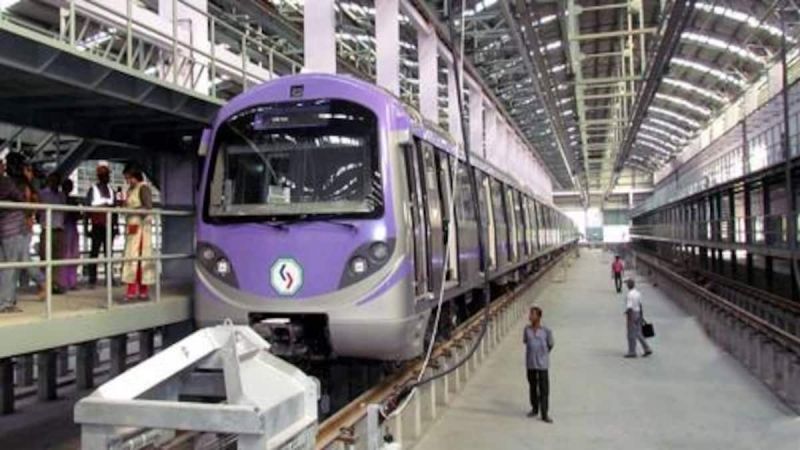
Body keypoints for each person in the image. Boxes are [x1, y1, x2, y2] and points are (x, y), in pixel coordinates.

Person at [0, 154, 29, 313]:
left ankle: (5, 300)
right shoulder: (6, 182)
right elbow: (21, 198)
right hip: (12, 228)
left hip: (2, 228)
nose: (3, 166)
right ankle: (6, 302)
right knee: (11, 267)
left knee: (4, 266)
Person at [121, 164, 154, 301]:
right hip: (132, 227)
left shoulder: (143, 188)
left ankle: (139, 291)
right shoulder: (131, 190)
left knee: (139, 258)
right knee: (131, 257)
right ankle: (133, 290)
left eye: (128, 178)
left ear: (134, 176)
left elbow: (148, 207)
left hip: (141, 229)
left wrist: (132, 210)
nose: (127, 181)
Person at [85, 165, 116, 288]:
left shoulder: (111, 191)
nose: (107, 177)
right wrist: (86, 227)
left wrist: (116, 226)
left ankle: (110, 279)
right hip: (97, 225)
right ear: (99, 176)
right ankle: (92, 279)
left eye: (107, 175)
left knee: (109, 253)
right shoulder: (93, 190)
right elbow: (87, 210)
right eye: (104, 175)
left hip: (109, 226)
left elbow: (115, 211)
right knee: (94, 253)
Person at [523, 305, 554, 423]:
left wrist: (543, 354)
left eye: (532, 314)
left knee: (544, 389)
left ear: (538, 317)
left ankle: (544, 413)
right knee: (532, 387)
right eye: (530, 314)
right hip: (530, 363)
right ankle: (535, 408)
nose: (530, 316)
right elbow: (526, 341)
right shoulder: (527, 330)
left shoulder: (546, 331)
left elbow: (551, 344)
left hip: (542, 364)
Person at [37, 173, 66, 293]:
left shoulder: (61, 195)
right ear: (49, 181)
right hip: (47, 229)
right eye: (53, 180)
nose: (56, 183)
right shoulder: (42, 193)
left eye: (58, 180)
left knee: (57, 259)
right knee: (44, 258)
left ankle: (54, 285)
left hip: (59, 229)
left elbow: (64, 211)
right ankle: (43, 285)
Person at [624, 279, 652, 358]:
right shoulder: (638, 293)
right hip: (638, 313)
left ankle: (632, 352)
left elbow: (629, 307)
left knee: (631, 334)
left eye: (627, 284)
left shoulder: (629, 294)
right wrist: (641, 316)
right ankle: (647, 348)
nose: (626, 285)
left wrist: (629, 316)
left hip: (631, 314)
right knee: (638, 332)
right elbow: (640, 305)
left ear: (629, 285)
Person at [60, 178, 79, 290]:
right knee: (66, 254)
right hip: (65, 227)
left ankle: (71, 282)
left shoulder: (72, 200)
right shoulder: (62, 198)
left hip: (72, 227)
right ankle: (65, 282)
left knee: (73, 254)